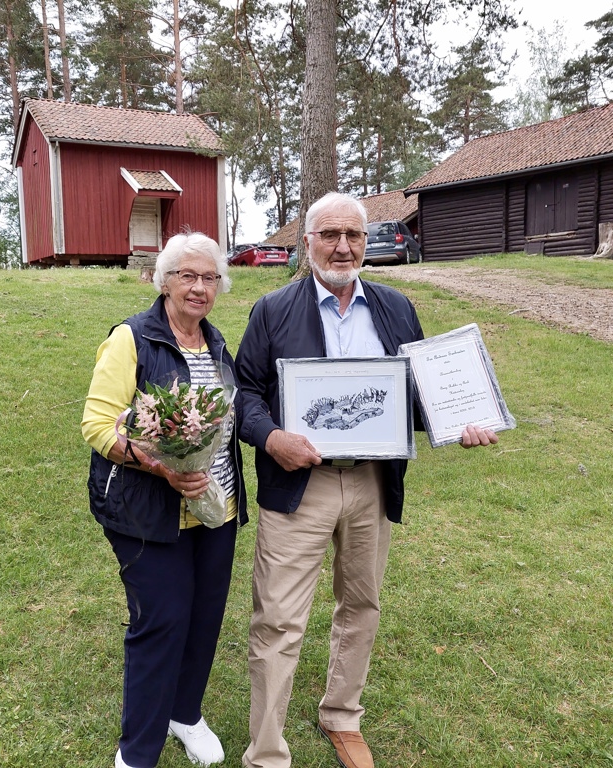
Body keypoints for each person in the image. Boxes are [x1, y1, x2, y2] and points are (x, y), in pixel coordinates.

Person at [235, 192, 497, 768]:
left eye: (353, 235)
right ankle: (267, 753)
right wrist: (272, 438)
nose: (343, 247)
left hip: (371, 483)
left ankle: (342, 716)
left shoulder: (395, 307)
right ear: (307, 243)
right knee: (278, 619)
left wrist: (458, 421)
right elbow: (245, 393)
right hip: (299, 485)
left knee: (361, 604)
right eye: (330, 235)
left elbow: (418, 393)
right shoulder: (273, 310)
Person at [82, 232, 249, 768]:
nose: (199, 287)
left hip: (216, 509)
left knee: (204, 617)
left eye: (210, 278)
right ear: (164, 281)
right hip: (148, 513)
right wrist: (161, 466)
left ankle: (185, 713)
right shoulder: (131, 338)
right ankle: (137, 753)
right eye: (187, 276)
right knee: (162, 622)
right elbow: (98, 426)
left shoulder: (216, 342)